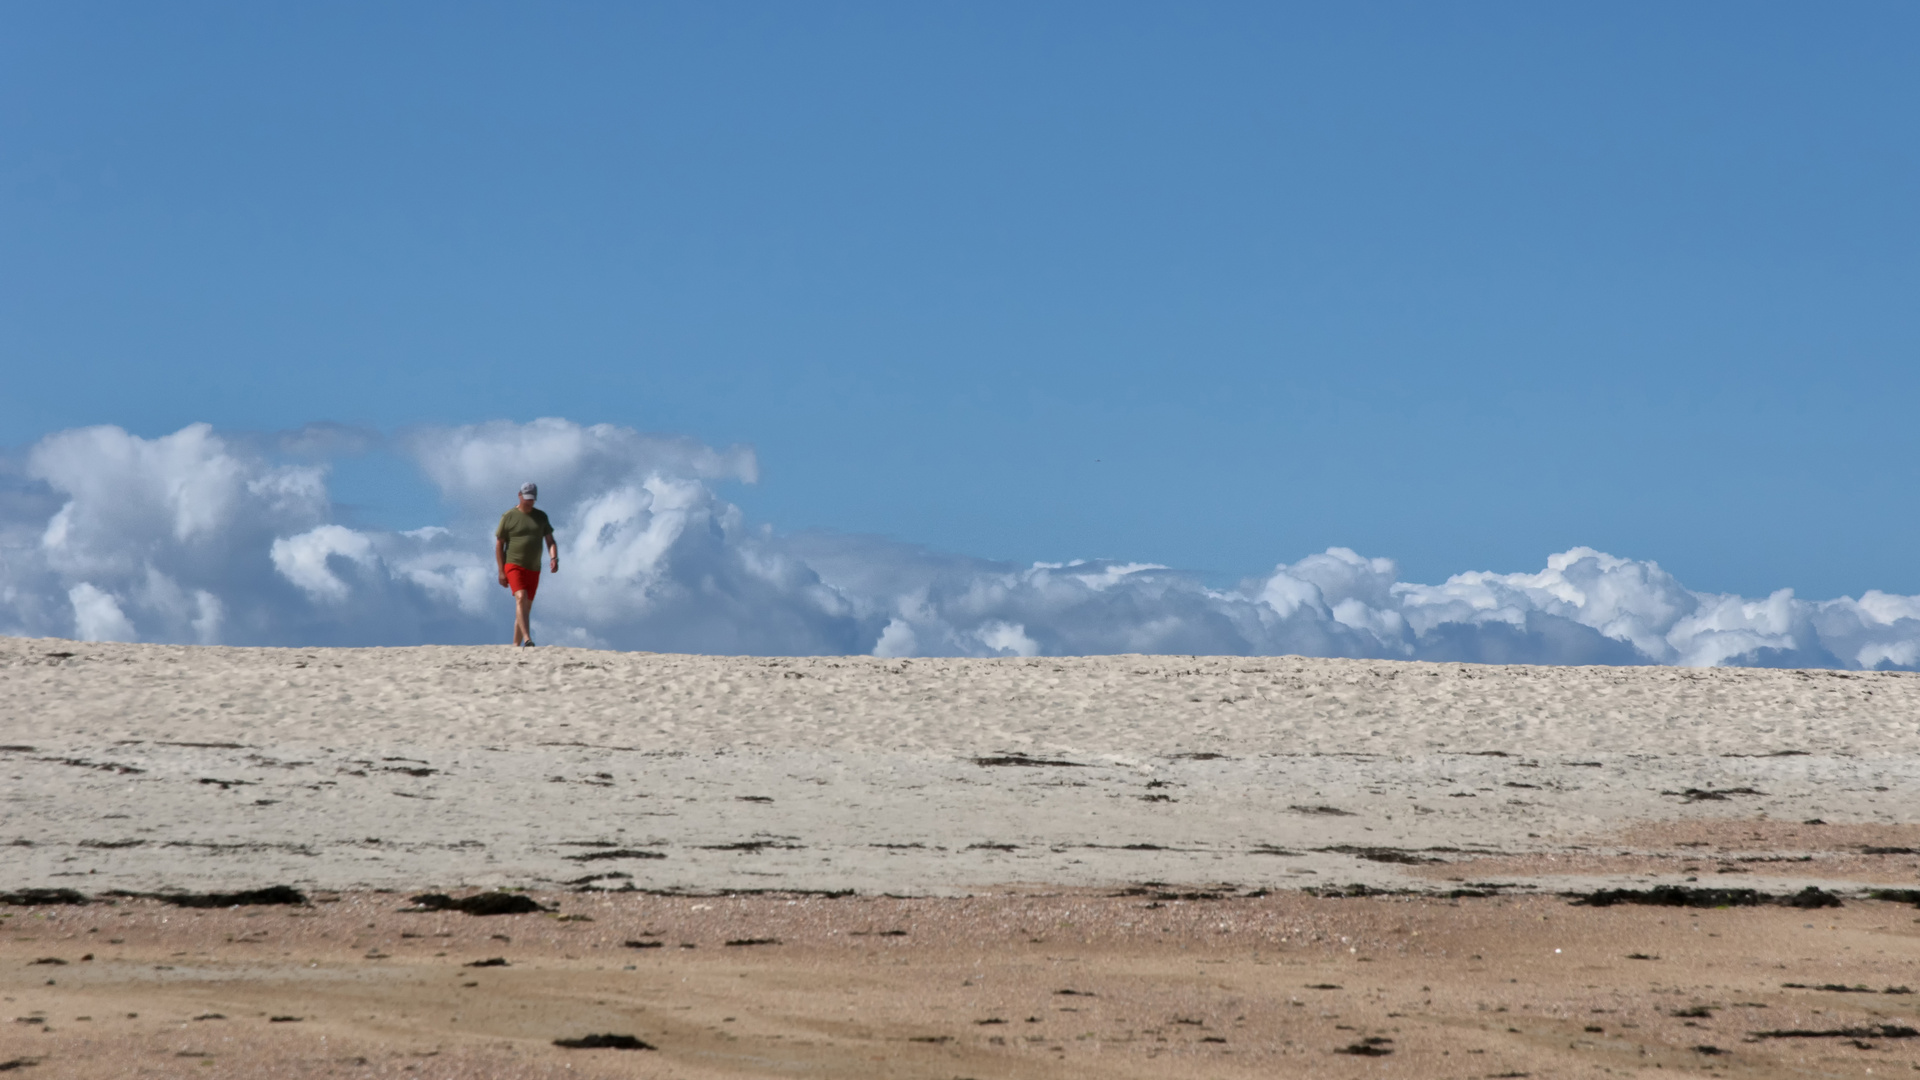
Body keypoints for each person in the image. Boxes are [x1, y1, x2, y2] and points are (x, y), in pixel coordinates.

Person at [495, 482, 558, 647]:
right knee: (520, 598)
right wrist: (501, 571)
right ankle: (528, 639)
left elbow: (550, 541)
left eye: (532, 499)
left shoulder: (541, 517)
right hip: (513, 564)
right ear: (519, 495)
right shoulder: (508, 516)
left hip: (534, 568)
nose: (529, 502)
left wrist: (554, 558)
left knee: (525, 608)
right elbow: (499, 544)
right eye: (526, 498)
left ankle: (515, 646)